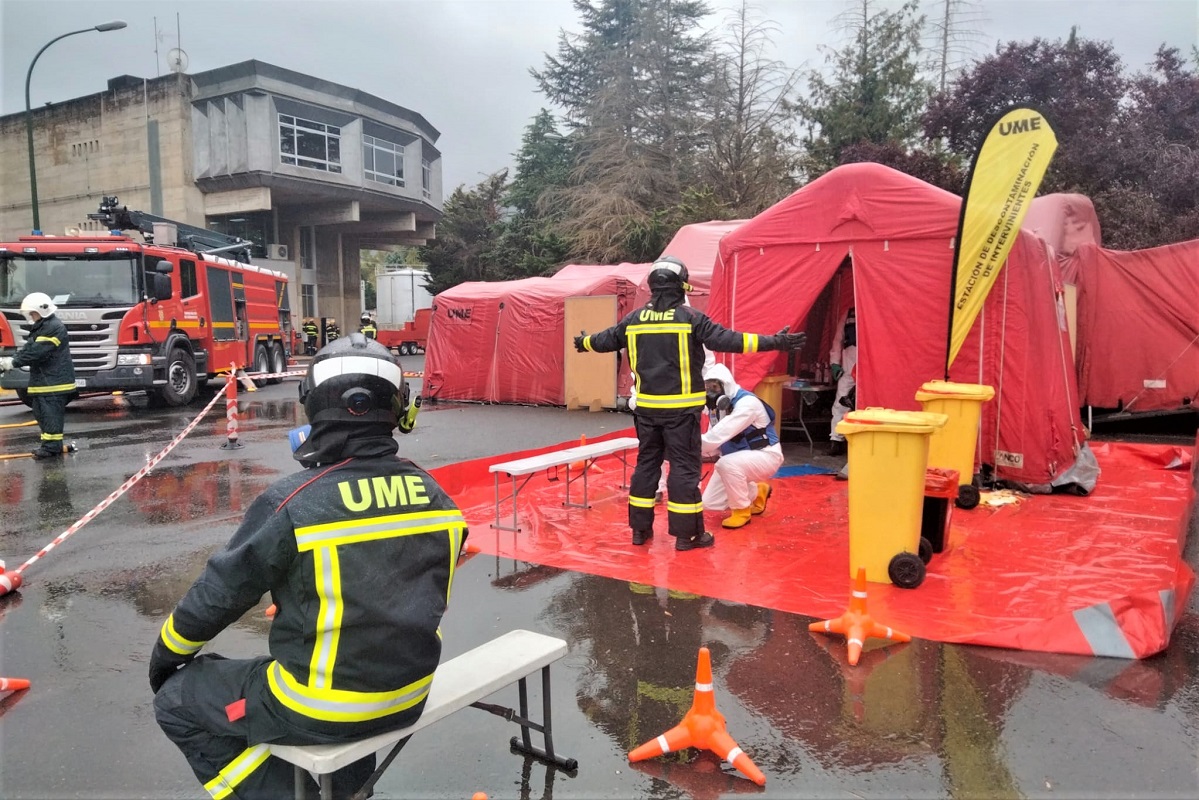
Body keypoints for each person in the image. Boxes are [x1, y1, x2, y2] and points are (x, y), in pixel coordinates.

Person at [151, 334, 466, 798]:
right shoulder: (439, 500)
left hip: (320, 706)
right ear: (400, 411)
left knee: (177, 701)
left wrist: (166, 657)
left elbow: (219, 595)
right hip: (408, 695)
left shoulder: (294, 502)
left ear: (313, 408)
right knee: (354, 674)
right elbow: (403, 585)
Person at [575, 256, 805, 551]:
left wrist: (584, 342)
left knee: (647, 466)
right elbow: (729, 340)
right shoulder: (690, 319)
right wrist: (774, 342)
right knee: (684, 470)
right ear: (681, 286)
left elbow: (605, 340)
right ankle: (688, 536)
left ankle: (639, 531)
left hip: (646, 411)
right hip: (682, 413)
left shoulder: (633, 320)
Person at [699, 363, 784, 529]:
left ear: (726, 385)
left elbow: (715, 437)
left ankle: (741, 511)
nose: (710, 393)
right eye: (707, 388)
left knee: (725, 464)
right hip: (740, 458)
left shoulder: (747, 404)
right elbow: (712, 443)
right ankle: (758, 492)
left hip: (765, 455)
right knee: (710, 502)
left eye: (714, 387)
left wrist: (685, 445)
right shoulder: (718, 409)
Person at [0, 292, 75, 459]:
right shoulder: (42, 326)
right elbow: (28, 349)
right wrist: (9, 361)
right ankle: (48, 445)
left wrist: (12, 363)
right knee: (41, 413)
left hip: (54, 383)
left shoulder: (53, 327)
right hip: (44, 382)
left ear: (42, 311)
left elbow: (37, 352)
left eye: (32, 313)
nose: (31, 317)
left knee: (50, 416)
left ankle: (51, 448)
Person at [828, 307, 857, 457]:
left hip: (873, 367)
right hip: (849, 366)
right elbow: (838, 339)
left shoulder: (881, 311)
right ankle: (836, 439)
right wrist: (834, 362)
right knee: (841, 403)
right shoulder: (848, 313)